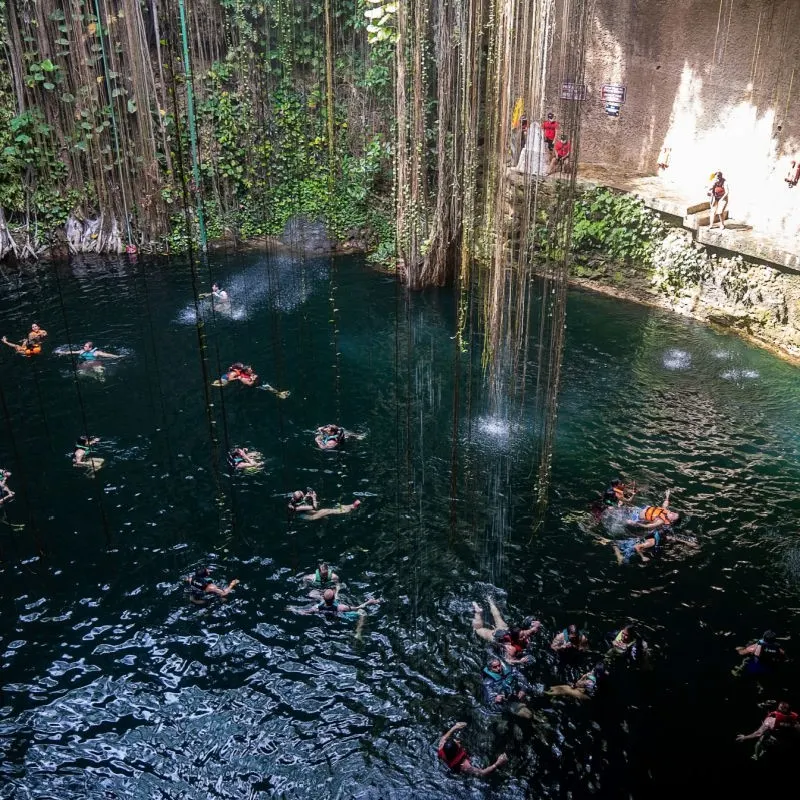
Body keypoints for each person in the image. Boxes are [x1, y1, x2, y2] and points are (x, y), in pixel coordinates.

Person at [471, 599, 541, 664]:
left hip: (504, 630)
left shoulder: (523, 633)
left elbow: (533, 629)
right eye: (522, 637)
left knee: (497, 616)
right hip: (497, 636)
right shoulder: (511, 649)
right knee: (477, 629)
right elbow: (507, 660)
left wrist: (537, 624)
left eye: (524, 635)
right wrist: (519, 661)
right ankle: (478, 612)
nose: (524, 637)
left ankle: (490, 601)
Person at [437, 722, 508, 777]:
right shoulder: (464, 765)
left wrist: (455, 727)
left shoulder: (442, 746)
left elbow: (444, 737)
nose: (458, 741)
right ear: (456, 752)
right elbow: (482, 773)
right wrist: (497, 763)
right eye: (457, 744)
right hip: (458, 770)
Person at [736, 701, 800, 760]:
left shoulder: (772, 719)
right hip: (788, 744)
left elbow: (758, 733)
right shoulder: (794, 719)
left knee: (760, 740)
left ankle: (756, 756)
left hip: (774, 742)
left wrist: (745, 737)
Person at [302, 587, 381, 617]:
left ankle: (337, 590)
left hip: (326, 614)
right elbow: (358, 607)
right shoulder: (341, 607)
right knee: (361, 612)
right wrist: (369, 602)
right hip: (338, 615)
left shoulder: (317, 607)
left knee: (312, 594)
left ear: (323, 598)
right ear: (333, 599)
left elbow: (305, 612)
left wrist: (292, 609)